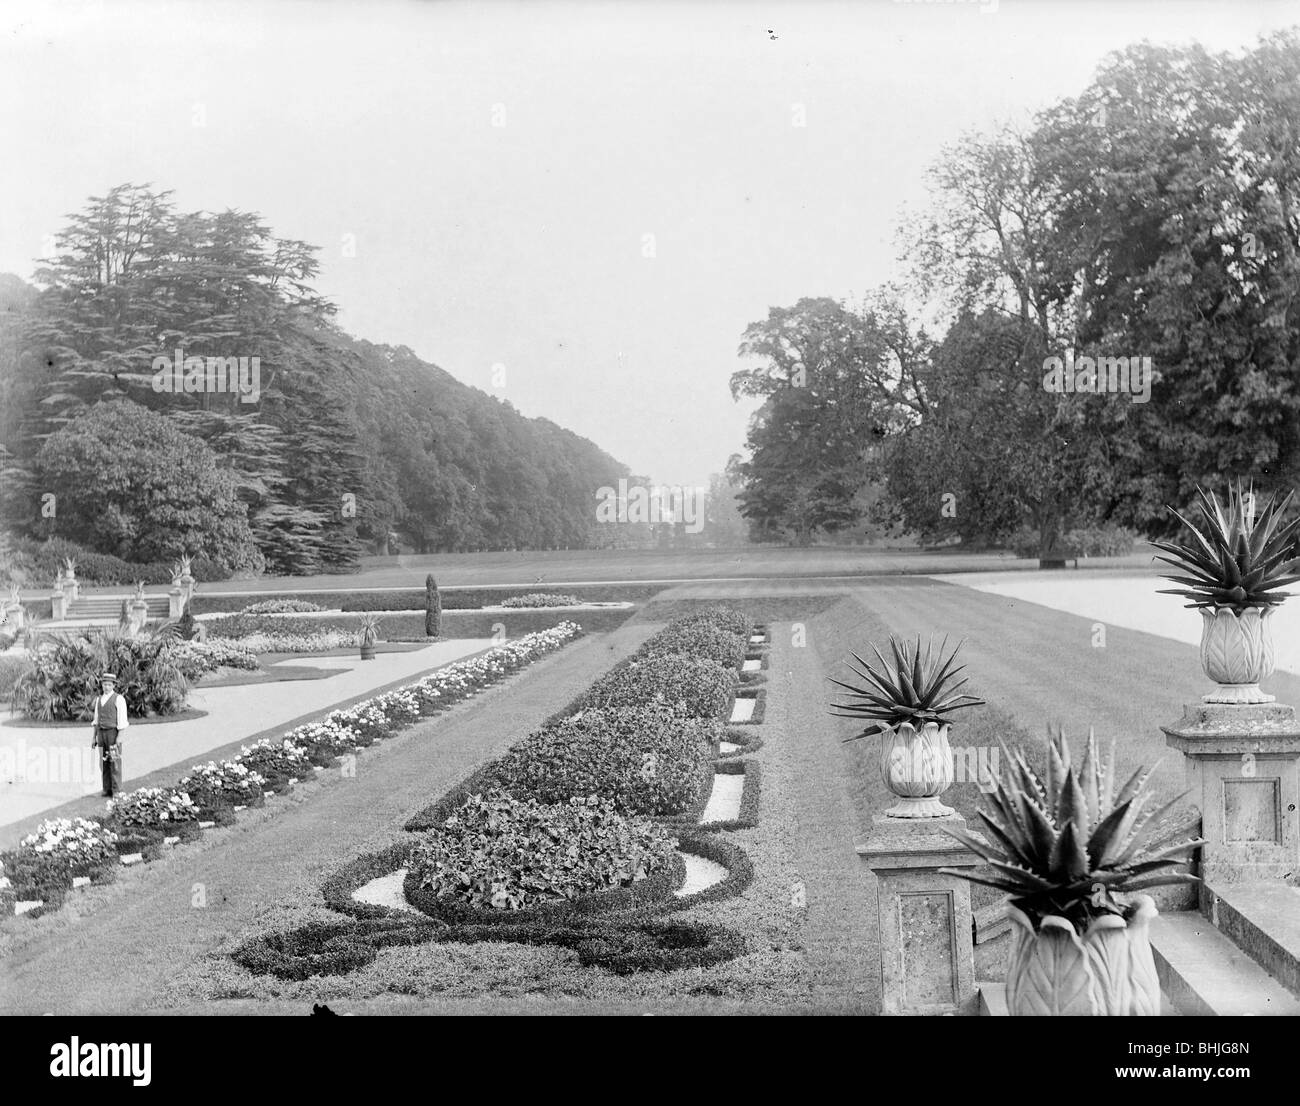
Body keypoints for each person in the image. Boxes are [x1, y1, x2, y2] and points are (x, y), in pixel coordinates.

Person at [90, 672, 129, 797]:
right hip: (101, 734)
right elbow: (96, 720)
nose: (106, 687)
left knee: (115, 761)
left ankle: (117, 789)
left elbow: (122, 720)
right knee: (103, 762)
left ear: (113, 685)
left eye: (109, 685)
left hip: (113, 733)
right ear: (101, 685)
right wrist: (94, 737)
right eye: (104, 684)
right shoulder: (99, 700)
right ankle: (106, 788)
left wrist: (120, 737)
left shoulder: (119, 699)